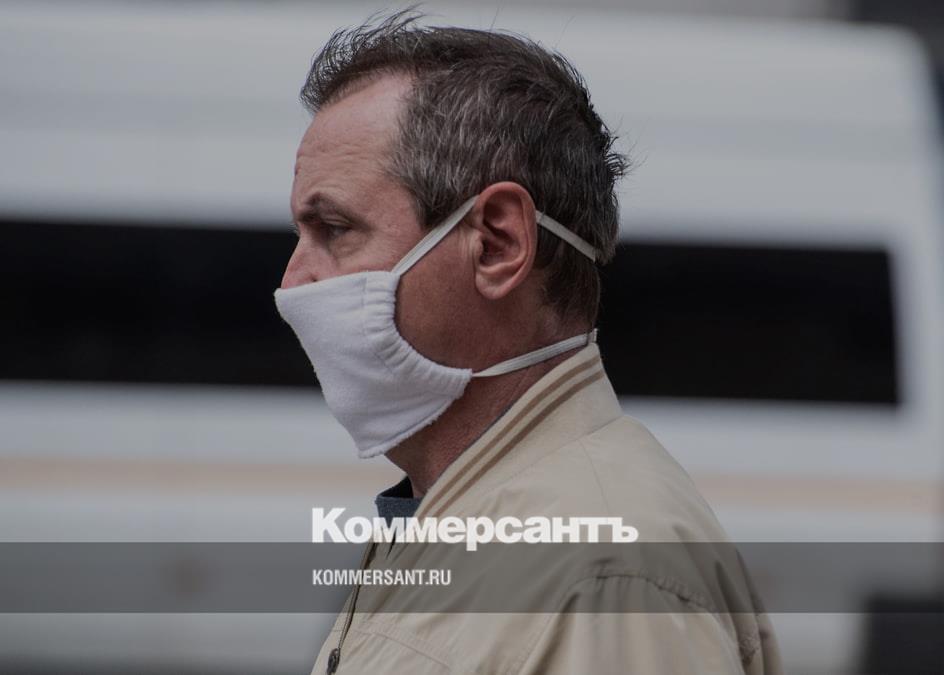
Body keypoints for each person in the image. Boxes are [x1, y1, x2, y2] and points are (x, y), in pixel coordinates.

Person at [275, 11, 780, 674]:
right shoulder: (465, 514)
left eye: (335, 229)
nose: (293, 280)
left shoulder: (603, 578)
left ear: (497, 244)